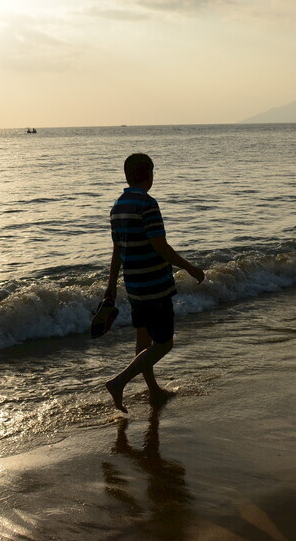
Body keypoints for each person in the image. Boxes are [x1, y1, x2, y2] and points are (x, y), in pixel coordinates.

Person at [104, 153, 205, 412]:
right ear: (149, 175)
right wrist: (190, 267)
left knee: (143, 339)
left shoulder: (117, 206)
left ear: (127, 176)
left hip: (134, 286)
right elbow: (160, 245)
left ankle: (153, 391)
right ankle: (119, 382)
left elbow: (117, 251)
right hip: (154, 285)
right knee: (164, 343)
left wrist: (111, 285)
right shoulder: (147, 204)